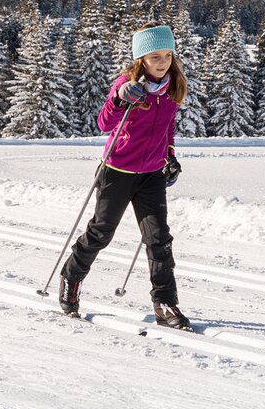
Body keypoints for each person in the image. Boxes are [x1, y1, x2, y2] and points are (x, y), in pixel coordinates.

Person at [59, 25, 191, 331]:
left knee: (159, 240)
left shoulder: (172, 88)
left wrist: (169, 154)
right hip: (117, 172)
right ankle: (71, 277)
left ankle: (165, 304)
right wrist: (120, 97)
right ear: (141, 58)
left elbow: (168, 127)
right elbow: (104, 122)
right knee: (101, 233)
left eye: (168, 55)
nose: (162, 62)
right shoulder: (128, 85)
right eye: (155, 56)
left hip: (151, 176)